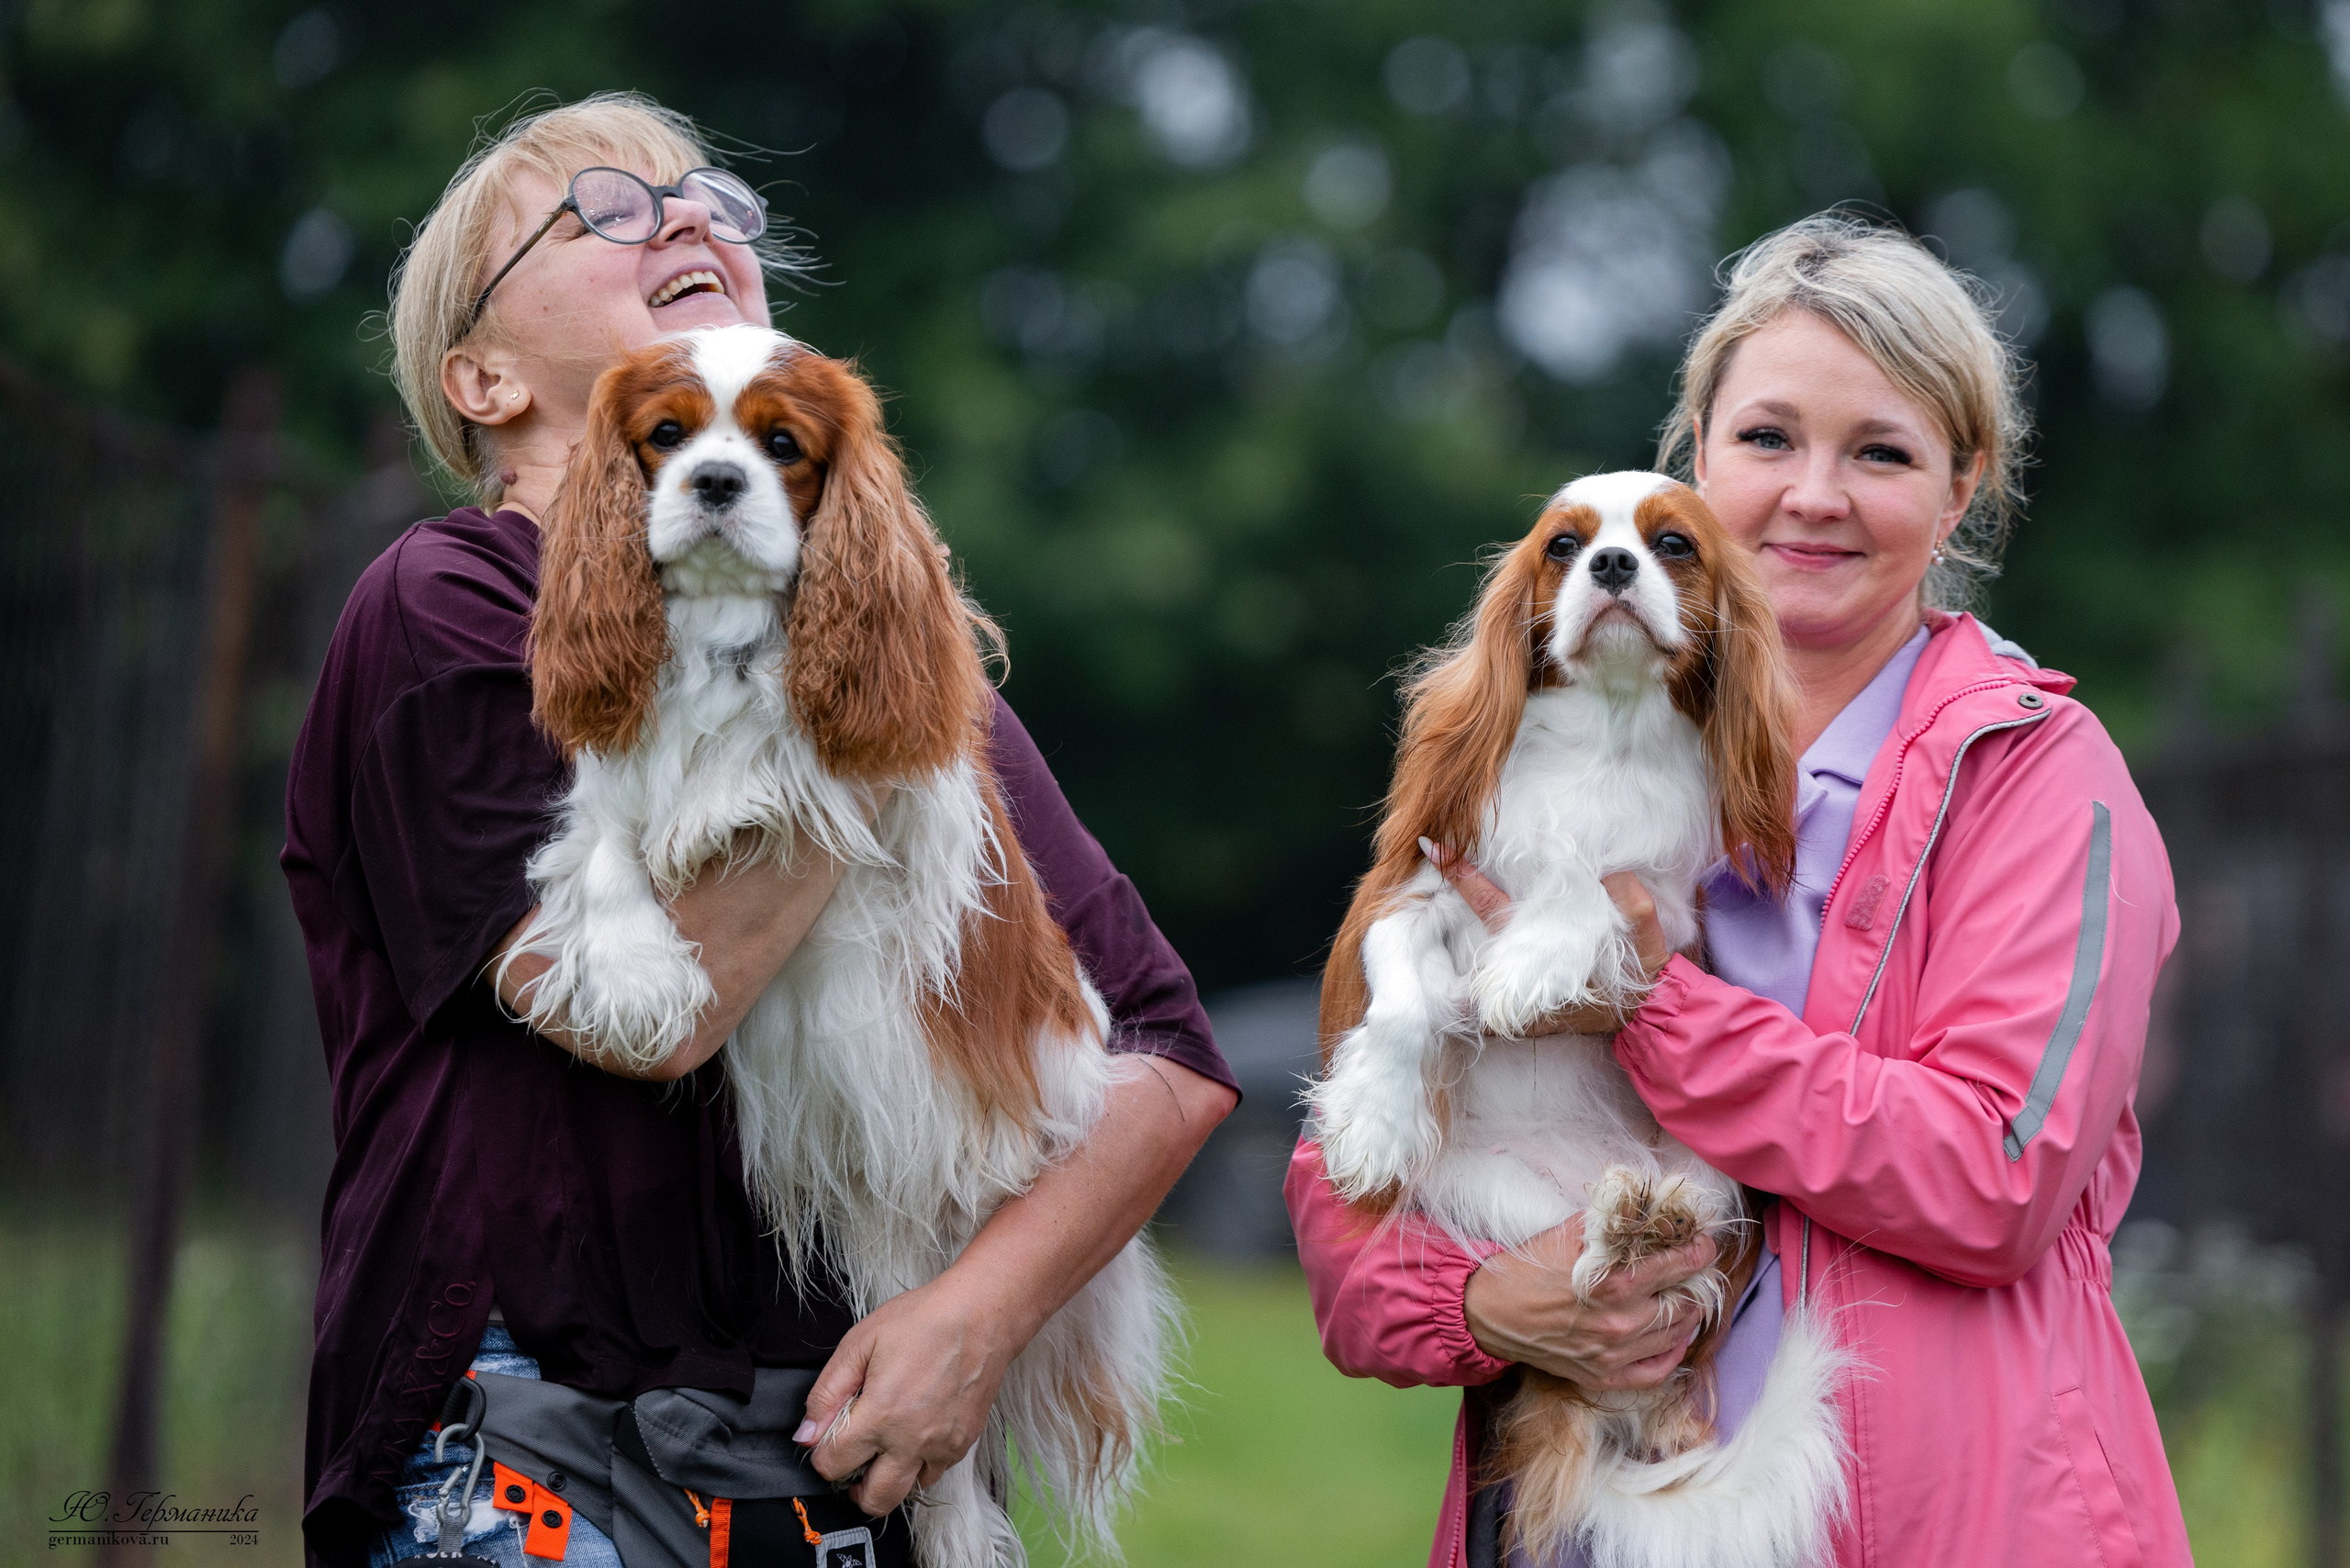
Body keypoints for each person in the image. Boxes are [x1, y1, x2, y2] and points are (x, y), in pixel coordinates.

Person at [280, 92, 1237, 1568]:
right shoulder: (449, 600)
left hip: (843, 1456)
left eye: (715, 200)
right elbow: (649, 1013)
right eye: (599, 207)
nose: (684, 218)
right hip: (542, 1448)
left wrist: (972, 1317)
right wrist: (866, 711)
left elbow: (1167, 1056)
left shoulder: (904, 649)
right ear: (481, 378)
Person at [1285, 214, 2190, 1568]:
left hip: (1954, 1523)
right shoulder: (1564, 748)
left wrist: (1649, 1015)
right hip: (1588, 1515)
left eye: (1879, 452)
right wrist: (1486, 1300)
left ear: (1961, 490)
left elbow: (1998, 1179)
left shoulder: (2040, 780)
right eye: (1768, 439)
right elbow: (1352, 1201)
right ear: (1696, 456)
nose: (1814, 495)